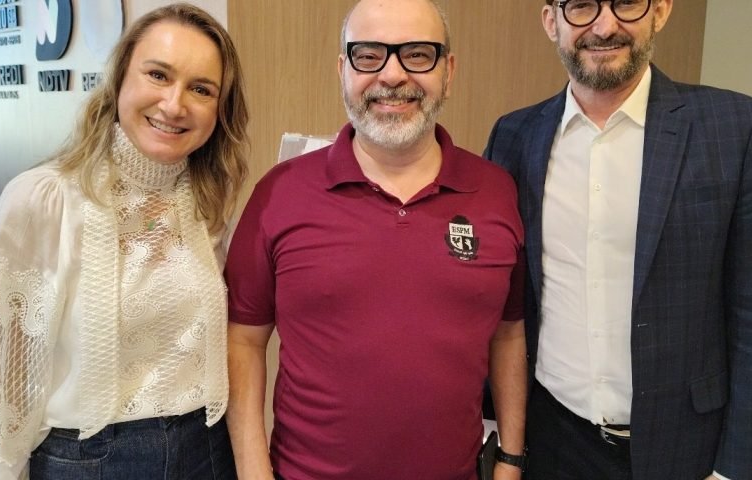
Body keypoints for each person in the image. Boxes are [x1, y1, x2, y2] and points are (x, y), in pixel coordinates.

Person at [224, 1, 528, 479]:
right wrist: (253, 472)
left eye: (418, 54)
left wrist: (510, 459)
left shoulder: (496, 192)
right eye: (368, 55)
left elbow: (508, 332)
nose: (392, 75)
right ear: (343, 70)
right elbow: (243, 340)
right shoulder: (280, 193)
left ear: (448, 71)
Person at [484, 0, 752, 479]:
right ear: (551, 21)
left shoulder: (735, 129)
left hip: (686, 447)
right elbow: (502, 297)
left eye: (625, 3)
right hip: (553, 441)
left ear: (660, 11)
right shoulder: (514, 136)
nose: (605, 26)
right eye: (581, 6)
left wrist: (737, 470)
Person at [0, 3, 248, 479]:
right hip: (91, 461)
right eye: (158, 75)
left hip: (206, 451)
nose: (175, 104)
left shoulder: (208, 202)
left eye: (201, 89)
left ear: (220, 109)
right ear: (120, 79)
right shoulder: (44, 198)